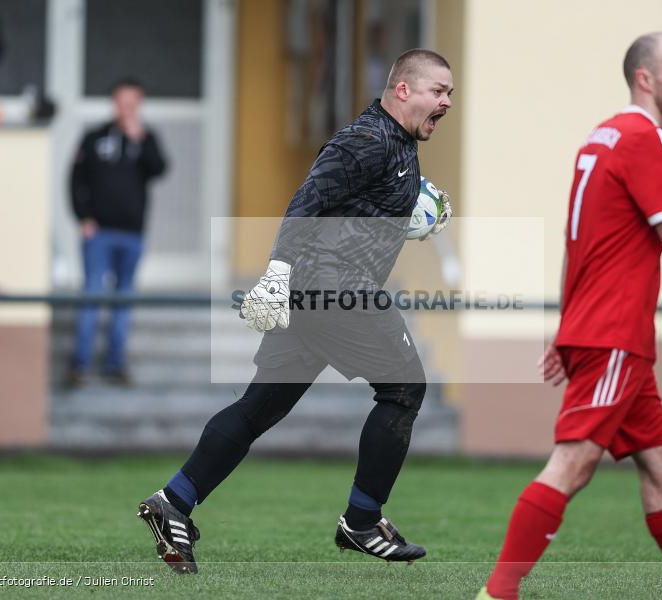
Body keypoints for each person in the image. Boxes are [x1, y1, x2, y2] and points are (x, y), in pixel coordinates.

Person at [476, 33, 662, 600]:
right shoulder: (649, 138)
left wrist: (567, 327)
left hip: (606, 331)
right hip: (615, 334)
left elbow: (575, 243)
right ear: (645, 78)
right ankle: (498, 593)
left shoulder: (600, 137)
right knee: (572, 464)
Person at [136, 48, 453, 574]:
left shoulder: (396, 142)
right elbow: (305, 202)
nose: (446, 102)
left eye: (449, 94)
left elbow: (350, 206)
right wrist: (276, 273)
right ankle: (363, 520)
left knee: (262, 406)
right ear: (403, 90)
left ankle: (176, 500)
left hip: (318, 291)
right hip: (333, 287)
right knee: (405, 388)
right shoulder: (366, 139)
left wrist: (404, 209)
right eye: (438, 91)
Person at [68, 78, 167, 386]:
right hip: (98, 233)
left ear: (139, 104)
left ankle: (115, 364)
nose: (126, 109)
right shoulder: (94, 136)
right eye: (122, 102)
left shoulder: (146, 137)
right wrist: (83, 217)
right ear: (114, 103)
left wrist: (139, 139)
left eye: (132, 103)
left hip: (132, 233)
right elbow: (75, 179)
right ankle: (80, 364)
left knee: (124, 299)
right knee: (92, 296)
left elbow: (160, 168)